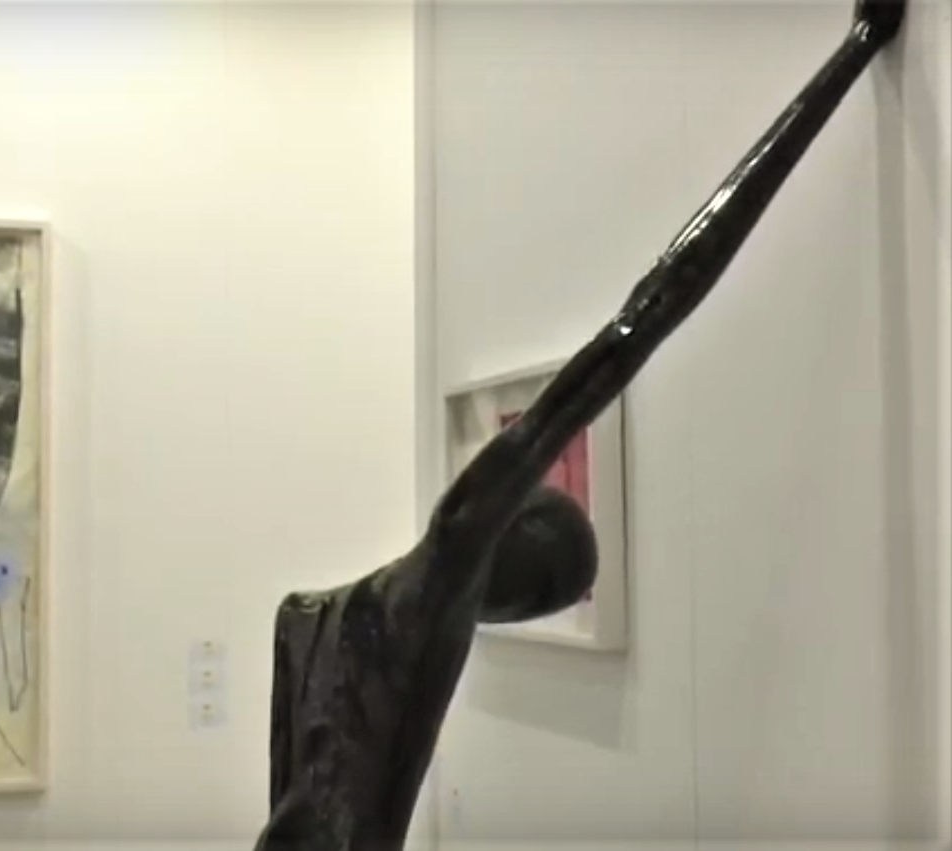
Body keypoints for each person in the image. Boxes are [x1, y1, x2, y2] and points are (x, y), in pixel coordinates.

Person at [252, 2, 906, 849]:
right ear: (506, 543)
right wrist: (853, 53)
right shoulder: (443, 577)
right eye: (536, 597)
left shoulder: (307, 615)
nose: (509, 618)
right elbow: (645, 315)